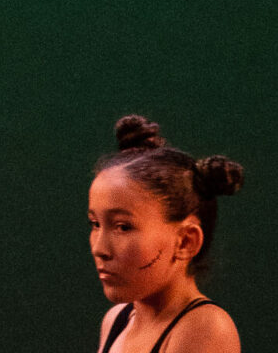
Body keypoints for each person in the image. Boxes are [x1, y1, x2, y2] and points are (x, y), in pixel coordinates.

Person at [89, 114, 245, 350]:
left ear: (185, 241)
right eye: (95, 224)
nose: (99, 249)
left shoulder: (203, 328)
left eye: (123, 227)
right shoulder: (117, 320)